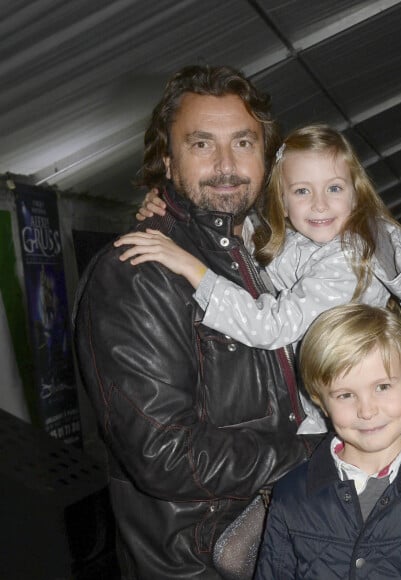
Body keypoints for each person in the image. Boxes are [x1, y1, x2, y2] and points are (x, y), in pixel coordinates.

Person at [73, 64, 319, 579]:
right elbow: (164, 455)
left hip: (289, 544)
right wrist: (318, 454)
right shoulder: (140, 273)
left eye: (244, 143)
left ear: (267, 156)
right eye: (202, 144)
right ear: (167, 159)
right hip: (203, 563)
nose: (226, 165)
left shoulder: (272, 251)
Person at [116, 124, 401, 432]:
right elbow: (252, 239)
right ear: (282, 198)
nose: (319, 203)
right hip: (325, 407)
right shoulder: (304, 241)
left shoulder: (348, 260)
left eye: (334, 188)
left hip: (352, 416)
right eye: (302, 191)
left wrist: (190, 267)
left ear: (356, 194)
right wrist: (168, 207)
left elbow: (270, 325)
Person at [254, 303, 401, 579]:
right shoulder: (291, 495)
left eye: (382, 387)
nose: (367, 411)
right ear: (320, 400)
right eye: (345, 395)